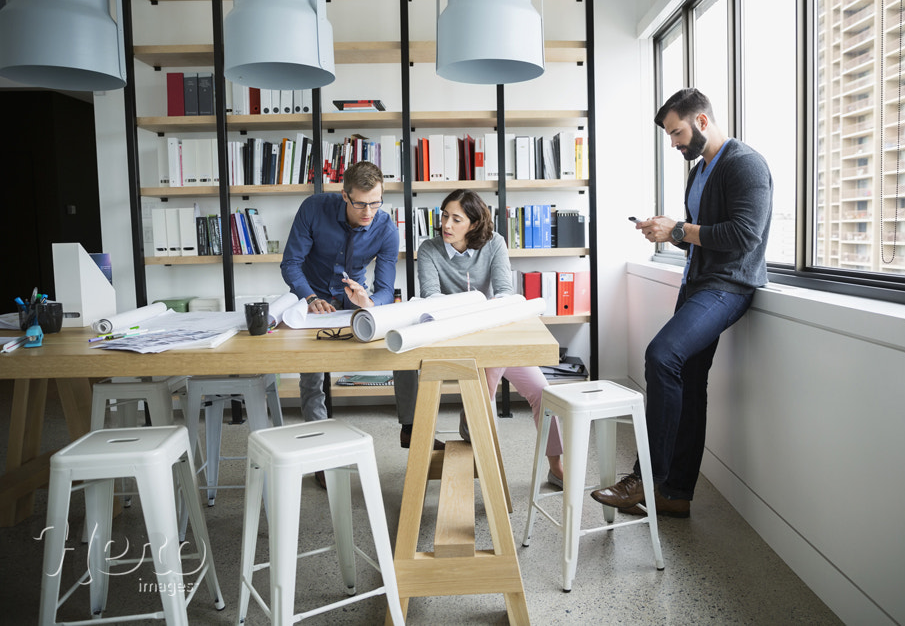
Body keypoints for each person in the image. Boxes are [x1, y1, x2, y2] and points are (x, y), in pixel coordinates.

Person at [591, 88, 772, 518]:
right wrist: (665, 231)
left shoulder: (744, 164)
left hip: (728, 288)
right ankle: (675, 494)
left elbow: (745, 235)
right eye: (670, 135)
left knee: (661, 355)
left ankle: (644, 478)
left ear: (703, 121)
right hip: (696, 285)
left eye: (677, 132)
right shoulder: (699, 172)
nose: (673, 142)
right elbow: (697, 232)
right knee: (689, 386)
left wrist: (679, 231)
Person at [280, 161, 431, 486]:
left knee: (399, 341)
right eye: (361, 203)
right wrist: (308, 298)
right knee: (312, 369)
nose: (368, 211)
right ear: (345, 196)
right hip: (314, 295)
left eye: (375, 203)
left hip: (355, 294)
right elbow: (290, 263)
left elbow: (386, 289)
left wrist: (370, 303)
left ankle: (409, 425)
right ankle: (321, 453)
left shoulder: (387, 228)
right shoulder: (314, 208)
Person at [416, 189, 565, 486]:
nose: (446, 224)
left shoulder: (495, 243)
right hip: (457, 337)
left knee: (542, 392)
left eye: (456, 219)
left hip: (494, 333)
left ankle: (555, 464)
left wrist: (485, 313)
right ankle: (485, 450)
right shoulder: (429, 249)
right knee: (485, 383)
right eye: (444, 216)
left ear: (472, 224)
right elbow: (431, 299)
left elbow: (504, 293)